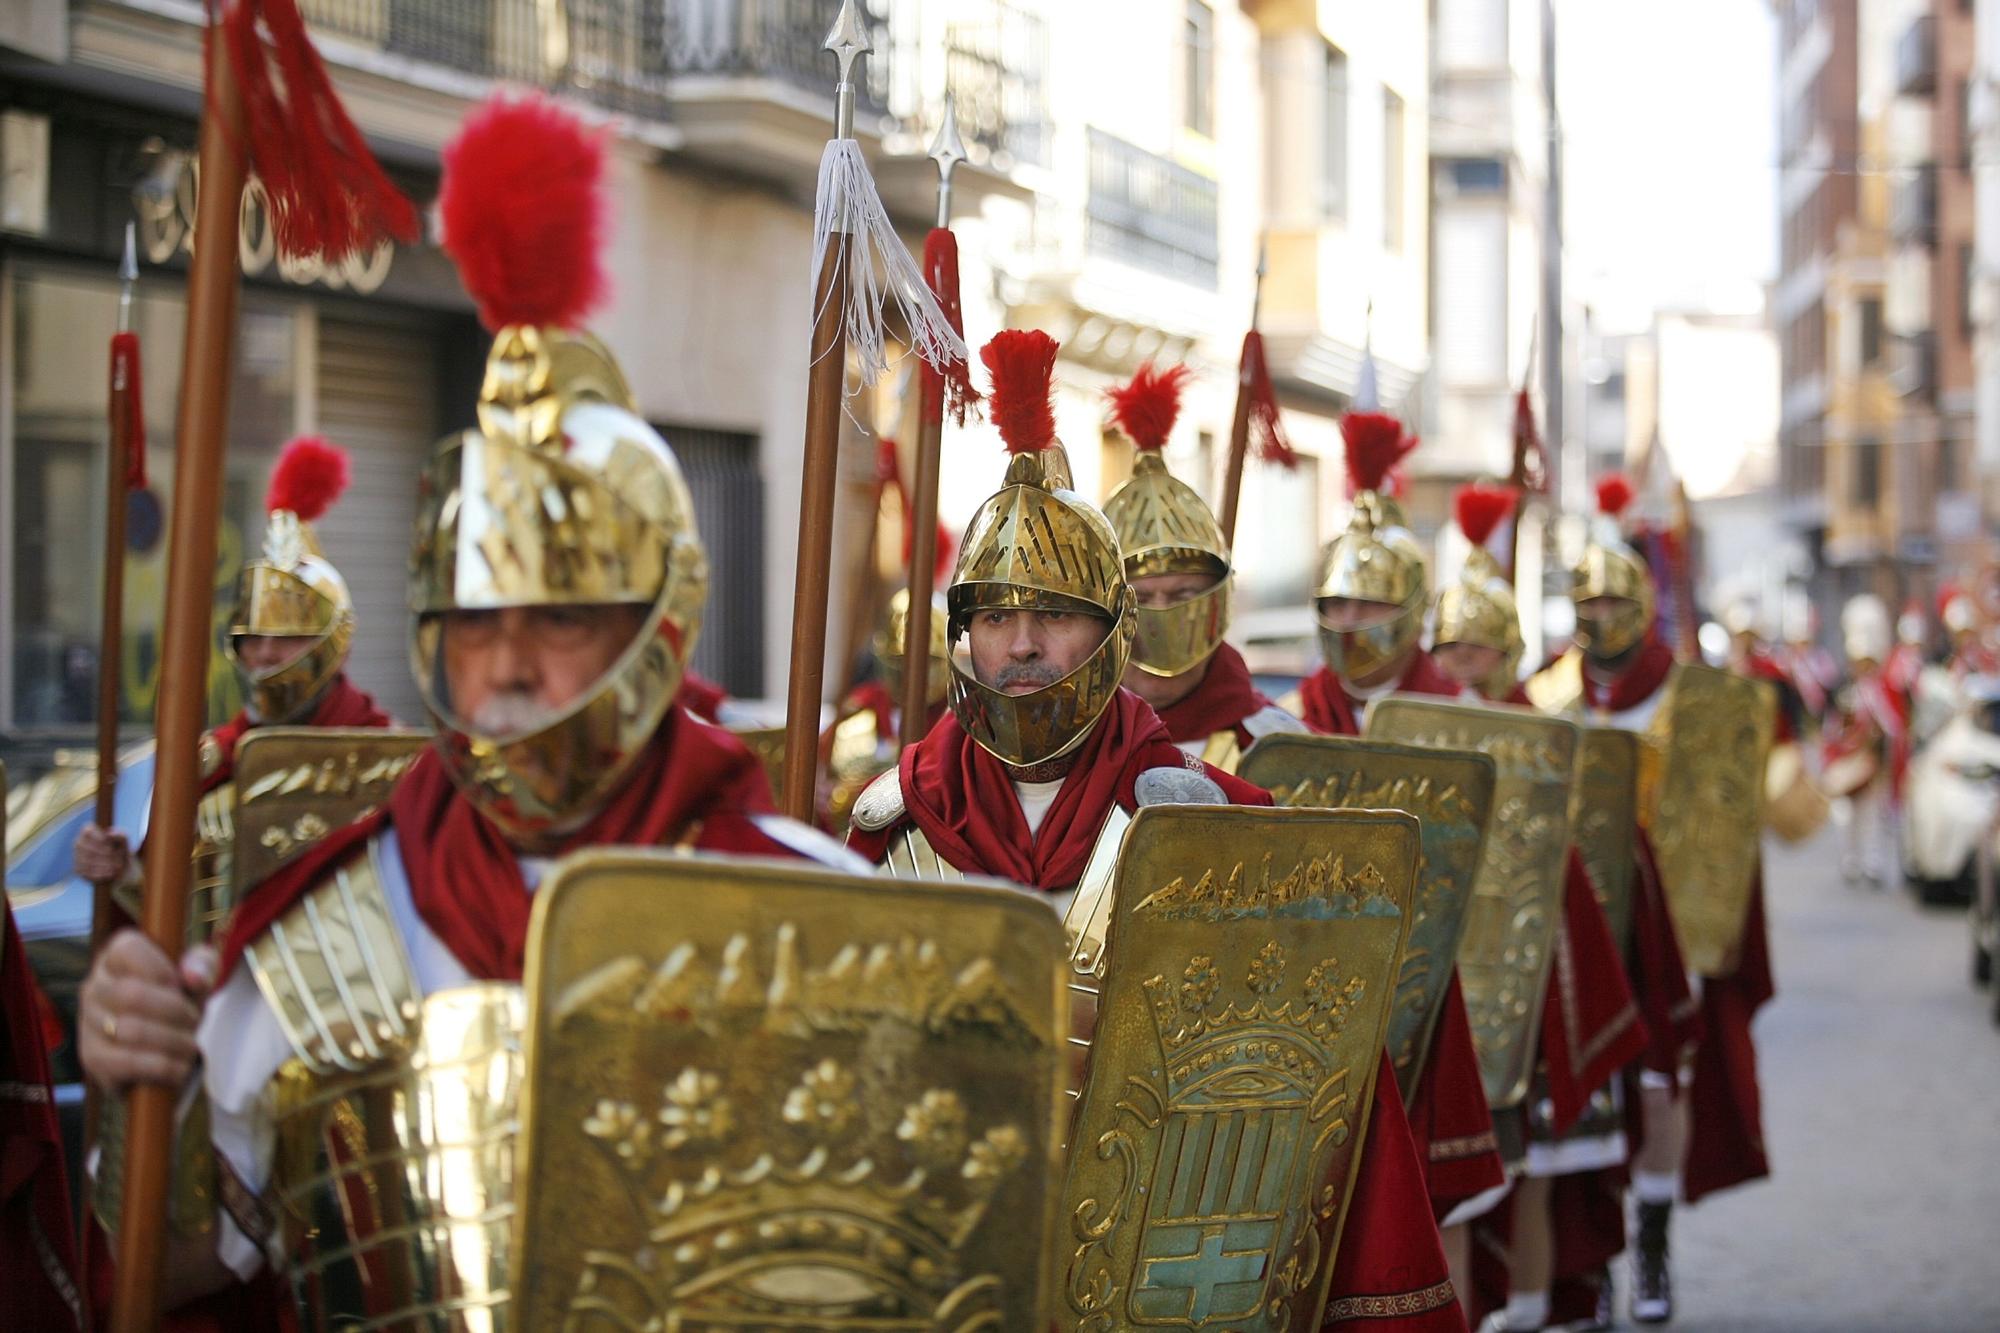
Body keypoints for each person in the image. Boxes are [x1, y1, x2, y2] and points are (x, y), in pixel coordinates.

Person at [72, 92, 855, 1328]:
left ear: (654, 628)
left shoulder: (825, 913)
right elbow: (166, 1275)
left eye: (557, 619)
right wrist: (135, 1091)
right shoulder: (312, 939)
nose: (507, 669)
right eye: (476, 625)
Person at [849, 330, 1466, 1332]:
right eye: (994, 615)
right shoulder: (889, 827)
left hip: (1158, 1276)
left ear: (1107, 632)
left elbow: (1301, 1096)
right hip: (945, 1263)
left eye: (1051, 614)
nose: (1019, 644)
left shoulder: (1219, 834)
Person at [1550, 473, 1765, 1326]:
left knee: (1659, 1082)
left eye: (1614, 600)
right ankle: (1592, 1253)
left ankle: (1652, 1239)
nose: (1600, 616)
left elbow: (1723, 818)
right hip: (1578, 923)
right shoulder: (1546, 695)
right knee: (1580, 1095)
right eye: (1586, 601)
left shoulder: (1695, 696)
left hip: (1666, 921)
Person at [72, 437, 392, 939]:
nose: (264, 654)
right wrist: (122, 874)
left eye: (288, 638)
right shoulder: (212, 764)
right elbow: (170, 922)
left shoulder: (387, 761)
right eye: (253, 638)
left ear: (336, 644)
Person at [1100, 361, 1306, 770]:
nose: (1160, 622)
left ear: (1217, 604)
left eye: (1183, 595)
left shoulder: (1281, 748)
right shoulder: (1064, 747)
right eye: (1139, 598)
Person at [1431, 483, 1527, 706]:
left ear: (1507, 649)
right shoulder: (1414, 707)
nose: (1463, 654)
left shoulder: (1532, 717)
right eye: (1451, 645)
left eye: (1478, 645)